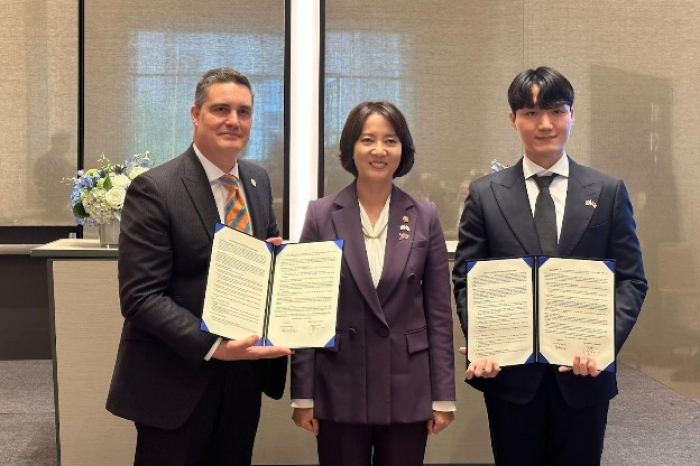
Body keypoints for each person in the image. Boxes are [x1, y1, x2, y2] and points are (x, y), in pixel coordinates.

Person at [452, 66, 647, 466]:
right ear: (513, 119)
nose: (545, 124)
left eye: (557, 111)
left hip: (584, 375)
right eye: (531, 113)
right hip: (511, 379)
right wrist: (485, 342)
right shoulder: (485, 195)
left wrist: (603, 344)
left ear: (572, 115)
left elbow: (631, 279)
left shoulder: (608, 191)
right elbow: (467, 278)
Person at [106, 67, 291, 466]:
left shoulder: (257, 181)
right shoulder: (156, 188)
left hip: (243, 378)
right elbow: (140, 297)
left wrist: (278, 263)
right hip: (176, 379)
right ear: (195, 114)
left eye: (243, 112)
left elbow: (262, 267)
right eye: (220, 109)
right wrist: (214, 347)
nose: (233, 121)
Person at [291, 101, 456, 466]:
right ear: (352, 147)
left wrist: (443, 395)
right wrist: (303, 395)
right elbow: (305, 307)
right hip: (339, 383)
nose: (379, 150)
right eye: (368, 139)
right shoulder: (321, 215)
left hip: (408, 383)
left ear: (403, 149)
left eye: (390, 140)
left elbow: (439, 314)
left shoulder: (424, 215)